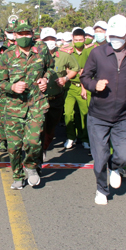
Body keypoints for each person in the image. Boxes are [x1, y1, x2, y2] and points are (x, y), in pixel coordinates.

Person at [81, 16, 126, 205]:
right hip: (98, 115)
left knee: (123, 155)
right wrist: (94, 85)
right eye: (112, 35)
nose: (115, 38)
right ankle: (101, 189)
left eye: (119, 35)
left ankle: (116, 168)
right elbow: (85, 77)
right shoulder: (97, 53)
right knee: (100, 158)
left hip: (123, 115)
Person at [0, 20, 56, 189]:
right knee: (14, 147)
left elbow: (51, 68)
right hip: (14, 107)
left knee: (34, 140)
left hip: (36, 104)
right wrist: (12, 87)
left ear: (32, 35)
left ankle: (31, 166)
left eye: (27, 34)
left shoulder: (42, 50)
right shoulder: (7, 55)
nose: (24, 37)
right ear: (15, 36)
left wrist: (45, 79)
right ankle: (17, 174)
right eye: (20, 34)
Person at [40, 27, 79, 155]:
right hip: (39, 99)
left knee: (51, 129)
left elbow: (75, 68)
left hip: (56, 99)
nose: (49, 41)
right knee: (38, 128)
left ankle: (44, 147)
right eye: (46, 39)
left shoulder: (63, 55)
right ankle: (39, 152)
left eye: (52, 39)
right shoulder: (35, 56)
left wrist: (66, 78)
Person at [63, 28, 92, 151]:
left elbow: (89, 71)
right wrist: (75, 72)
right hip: (70, 87)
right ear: (73, 40)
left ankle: (85, 139)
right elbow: (66, 69)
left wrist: (84, 85)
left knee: (84, 114)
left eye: (81, 40)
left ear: (85, 39)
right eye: (76, 40)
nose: (79, 42)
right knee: (68, 113)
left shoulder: (90, 52)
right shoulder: (67, 52)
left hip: (84, 87)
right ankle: (70, 137)